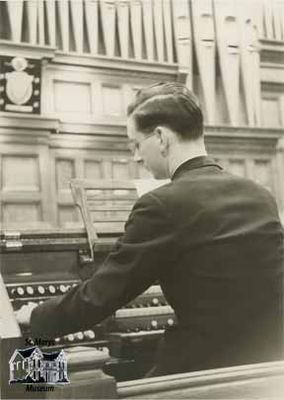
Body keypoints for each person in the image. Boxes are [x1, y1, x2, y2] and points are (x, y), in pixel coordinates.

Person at [16, 82, 283, 376]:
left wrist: (35, 316)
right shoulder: (260, 195)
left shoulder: (161, 204)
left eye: (135, 144)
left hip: (203, 374)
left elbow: (100, 296)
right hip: (269, 367)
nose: (136, 157)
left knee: (41, 377)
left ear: (160, 137)